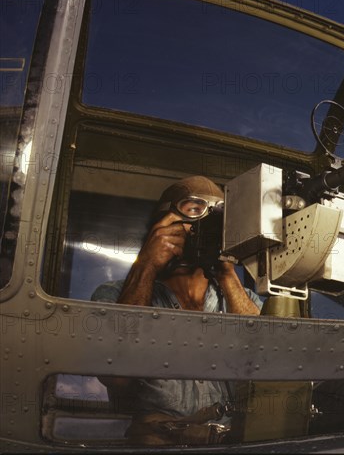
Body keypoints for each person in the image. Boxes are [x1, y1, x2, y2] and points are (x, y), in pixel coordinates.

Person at [91, 176, 262, 445]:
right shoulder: (115, 295)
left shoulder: (242, 298)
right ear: (163, 223)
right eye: (193, 211)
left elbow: (266, 366)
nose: (200, 229)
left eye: (215, 219)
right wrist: (146, 265)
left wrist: (227, 271)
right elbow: (116, 376)